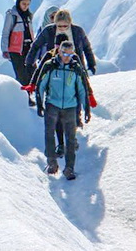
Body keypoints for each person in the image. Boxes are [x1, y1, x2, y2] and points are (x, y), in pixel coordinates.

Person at [35, 41, 91, 180]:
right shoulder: (50, 66)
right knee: (49, 133)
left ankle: (69, 168)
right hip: (52, 104)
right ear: (59, 52)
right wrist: (39, 103)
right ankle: (52, 163)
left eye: (70, 54)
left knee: (70, 138)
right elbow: (40, 85)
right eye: (64, 53)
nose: (67, 56)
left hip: (70, 107)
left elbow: (82, 90)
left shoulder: (75, 68)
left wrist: (86, 108)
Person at [25, 9, 96, 75]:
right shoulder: (49, 30)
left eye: (65, 26)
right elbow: (36, 46)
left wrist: (91, 64)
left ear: (70, 23)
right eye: (59, 26)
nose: (62, 28)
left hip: (74, 63)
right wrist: (29, 62)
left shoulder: (78, 31)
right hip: (54, 64)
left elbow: (87, 48)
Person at [2, 0, 34, 105]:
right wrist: (5, 49)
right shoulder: (12, 15)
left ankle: (25, 97)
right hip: (16, 49)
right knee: (21, 75)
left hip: (28, 48)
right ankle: (23, 99)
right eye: (23, 3)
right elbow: (6, 32)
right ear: (18, 2)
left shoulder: (28, 16)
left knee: (31, 74)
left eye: (28, 4)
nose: (25, 6)